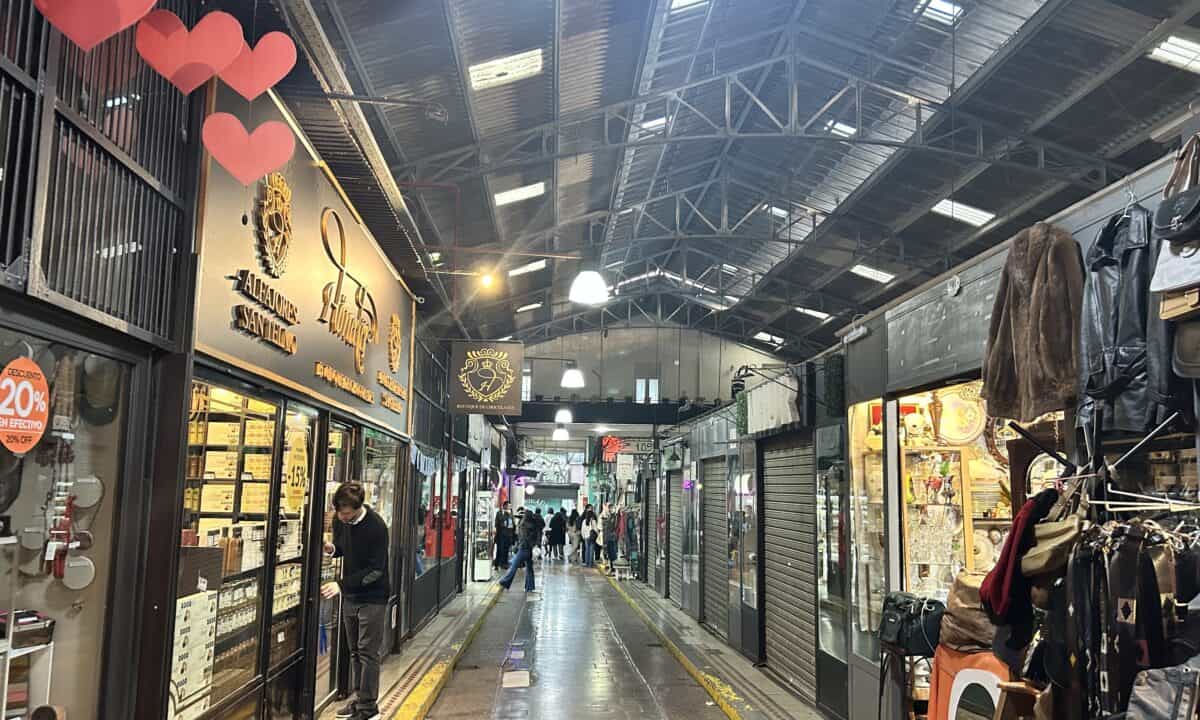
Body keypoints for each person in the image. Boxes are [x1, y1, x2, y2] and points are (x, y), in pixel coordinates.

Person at [322, 482, 389, 720]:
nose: (342, 517)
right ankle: (360, 699)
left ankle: (369, 707)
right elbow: (343, 548)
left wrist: (340, 585)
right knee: (354, 651)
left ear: (359, 507)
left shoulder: (377, 527)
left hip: (373, 598)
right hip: (351, 596)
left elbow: (376, 570)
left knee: (368, 652)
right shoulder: (341, 521)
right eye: (339, 513)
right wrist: (332, 549)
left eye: (347, 513)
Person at [498, 508, 540, 592]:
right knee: (529, 568)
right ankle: (530, 586)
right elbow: (535, 537)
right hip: (529, 550)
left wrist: (518, 547)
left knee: (514, 566)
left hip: (523, 549)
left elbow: (523, 538)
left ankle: (505, 582)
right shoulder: (533, 525)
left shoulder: (523, 525)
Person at [493, 501, 514, 569]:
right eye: (508, 506)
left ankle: (504, 564)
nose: (509, 507)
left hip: (508, 535)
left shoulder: (511, 514)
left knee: (506, 550)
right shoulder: (499, 513)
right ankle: (497, 564)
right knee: (500, 549)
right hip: (500, 535)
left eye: (510, 506)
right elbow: (497, 523)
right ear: (504, 506)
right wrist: (506, 515)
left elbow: (512, 524)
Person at [601, 503, 619, 575]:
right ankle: (612, 569)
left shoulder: (614, 517)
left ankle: (614, 570)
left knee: (613, 555)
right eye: (609, 508)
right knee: (610, 555)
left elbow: (612, 527)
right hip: (608, 539)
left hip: (612, 538)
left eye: (611, 508)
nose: (610, 510)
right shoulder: (609, 517)